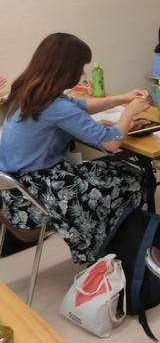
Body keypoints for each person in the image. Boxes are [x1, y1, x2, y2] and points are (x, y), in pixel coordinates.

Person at [0, 33, 151, 264]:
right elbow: (110, 143)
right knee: (133, 179)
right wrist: (129, 112)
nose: (82, 73)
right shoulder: (54, 105)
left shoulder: (28, 90)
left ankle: (116, 241)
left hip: (15, 189)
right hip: (36, 194)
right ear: (65, 68)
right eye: (80, 67)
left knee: (117, 172)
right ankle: (121, 248)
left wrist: (121, 99)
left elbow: (78, 105)